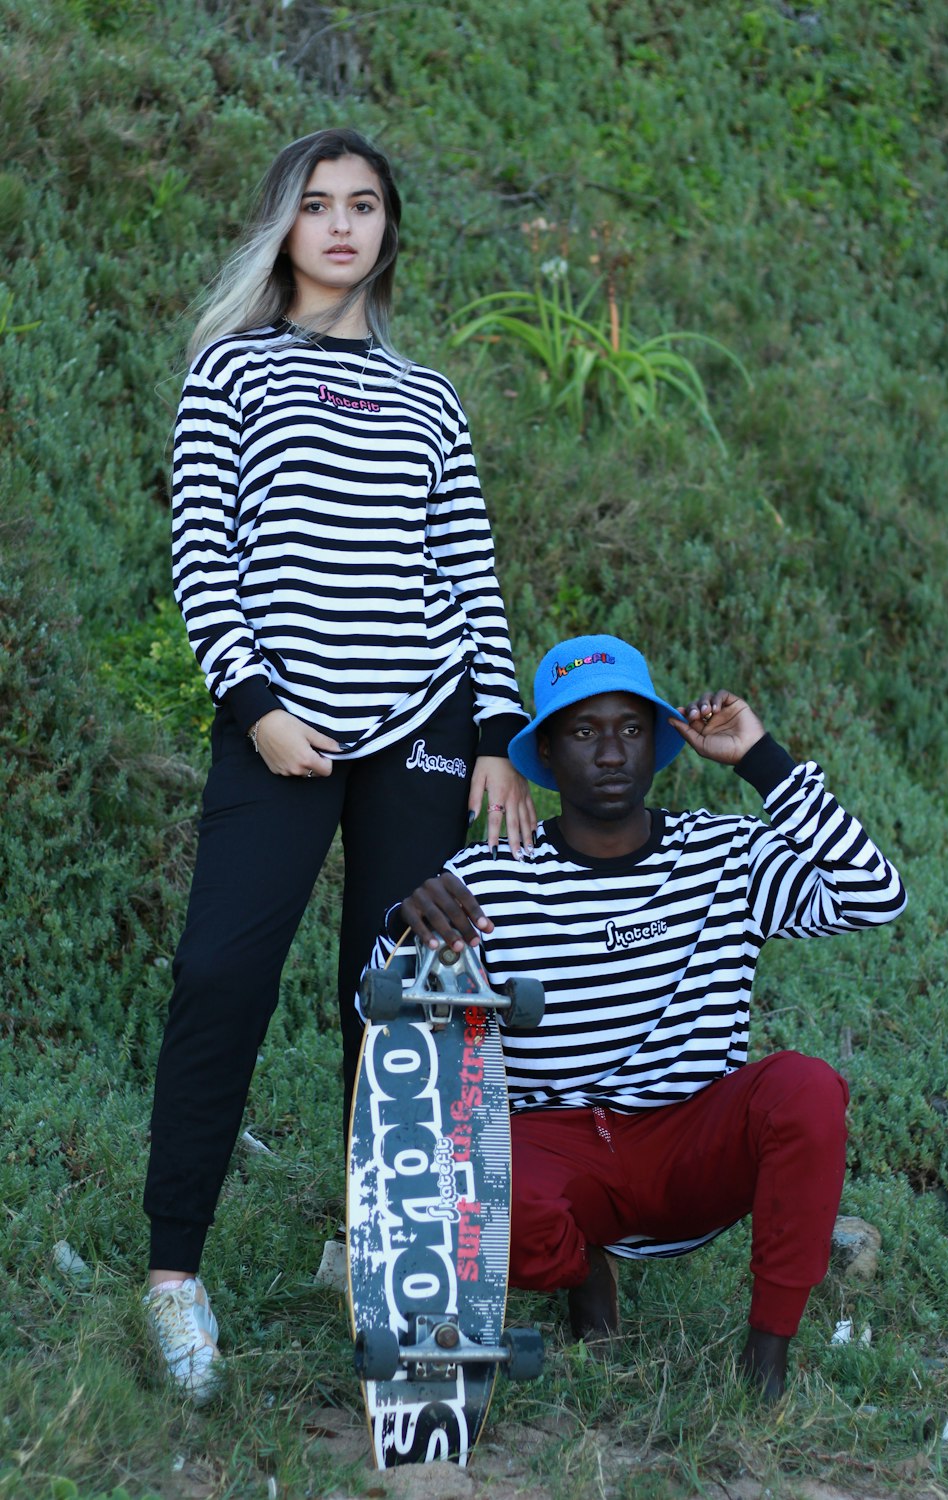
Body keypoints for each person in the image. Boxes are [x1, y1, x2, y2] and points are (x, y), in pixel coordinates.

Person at [142, 127, 535, 1403]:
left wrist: (496, 733)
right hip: (282, 727)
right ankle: (172, 1279)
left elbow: (465, 571)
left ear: (387, 232)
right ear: (285, 226)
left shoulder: (429, 397)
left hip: (422, 727)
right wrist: (251, 705)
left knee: (398, 1004)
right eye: (319, 206)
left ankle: (386, 1261)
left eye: (365, 206)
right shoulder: (233, 371)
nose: (344, 226)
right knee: (220, 970)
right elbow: (206, 550)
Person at [392, 634, 907, 1400]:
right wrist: (407, 923)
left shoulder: (724, 853)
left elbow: (874, 894)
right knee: (458, 1170)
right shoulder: (490, 877)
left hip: (690, 1140)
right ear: (545, 754)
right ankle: (583, 1270)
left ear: (660, 744)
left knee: (806, 1088)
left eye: (631, 729)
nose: (609, 752)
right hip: (557, 1149)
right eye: (582, 730)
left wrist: (763, 761)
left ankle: (766, 1363)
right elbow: (395, 1021)